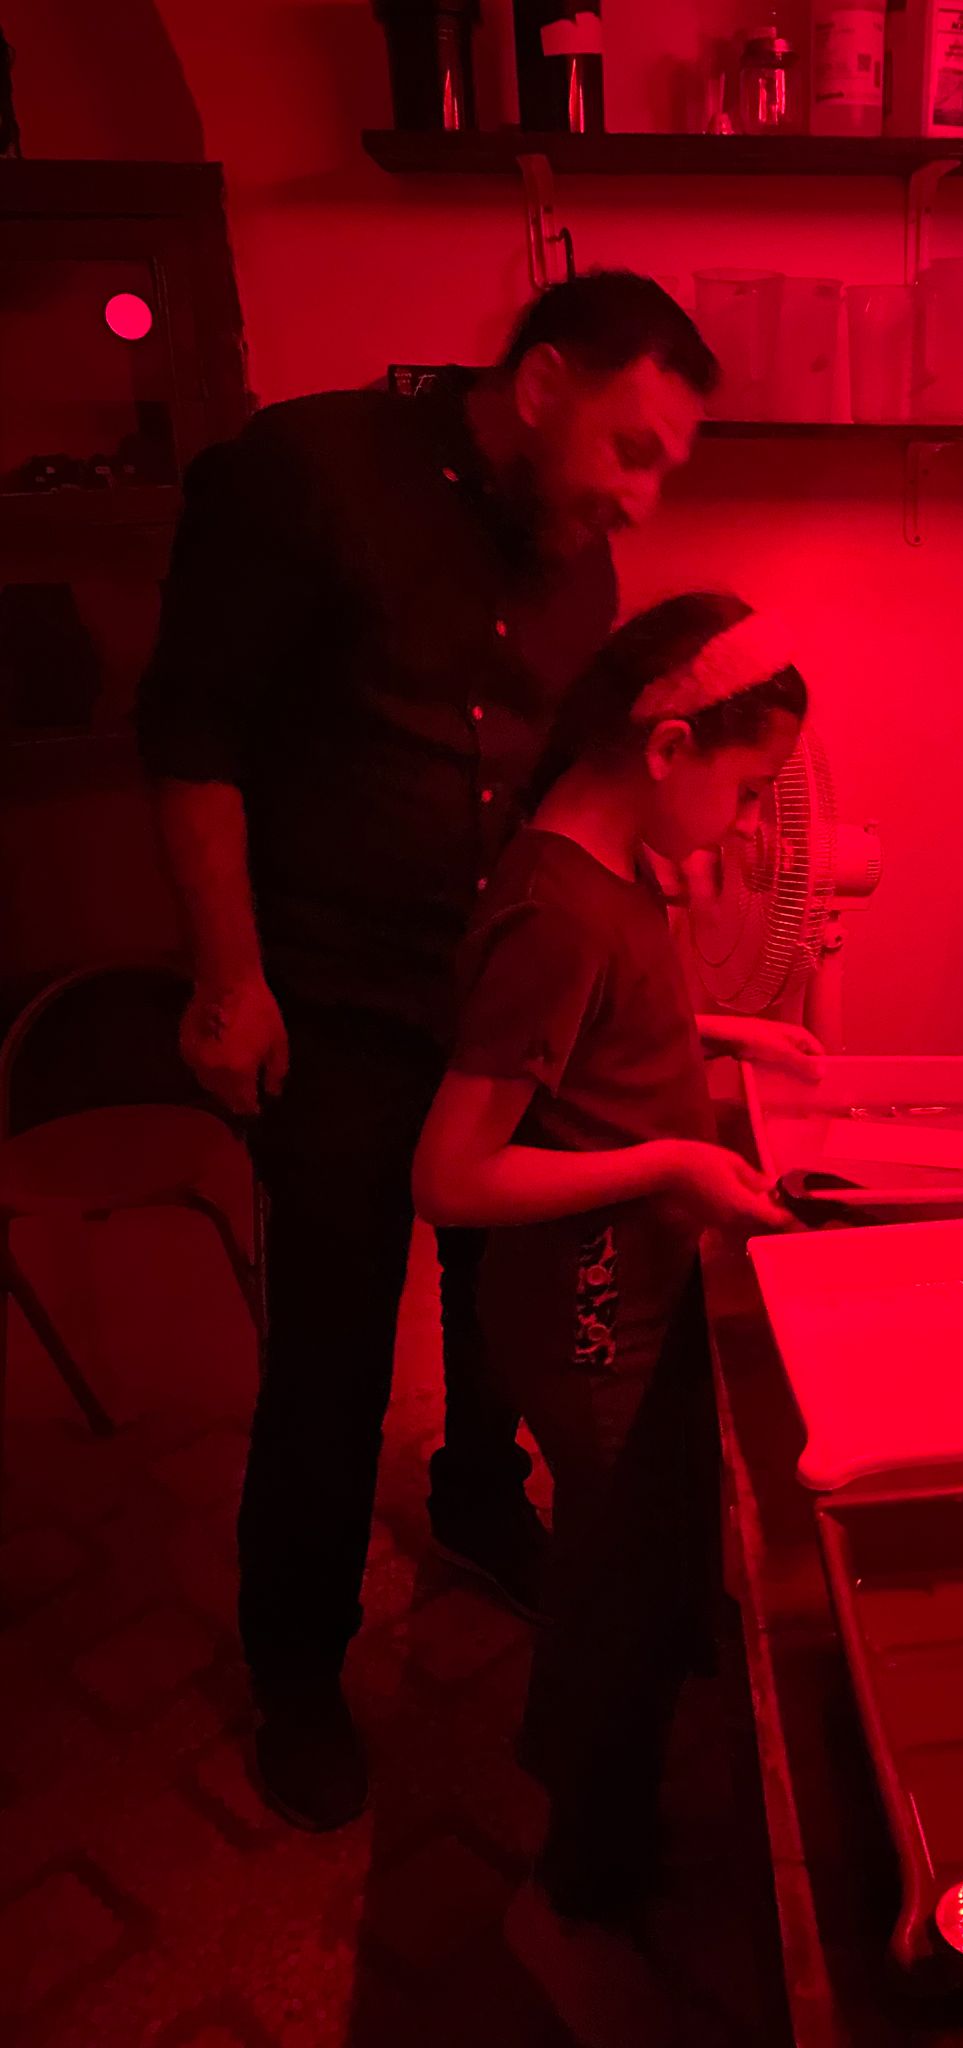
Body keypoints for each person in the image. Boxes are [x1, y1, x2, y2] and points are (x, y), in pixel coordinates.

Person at [135, 274, 718, 1832]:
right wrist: (227, 980)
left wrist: (656, 865)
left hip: (485, 1007)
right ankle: (300, 1668)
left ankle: (475, 1496)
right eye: (636, 448)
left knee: (503, 1297)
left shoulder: (577, 565)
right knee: (329, 1353)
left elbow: (566, 783)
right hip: (322, 1001)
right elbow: (191, 736)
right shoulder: (303, 477)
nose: (644, 499)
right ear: (539, 384)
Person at [412, 593, 817, 1917]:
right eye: (751, 790)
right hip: (592, 1315)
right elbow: (453, 1175)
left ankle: (588, 1760)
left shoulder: (604, 873)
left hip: (630, 1297)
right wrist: (673, 1167)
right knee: (616, 1584)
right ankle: (582, 1885)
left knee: (629, 1568)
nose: (754, 824)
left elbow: (603, 1053)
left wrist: (731, 1043)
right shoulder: (558, 915)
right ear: (667, 749)